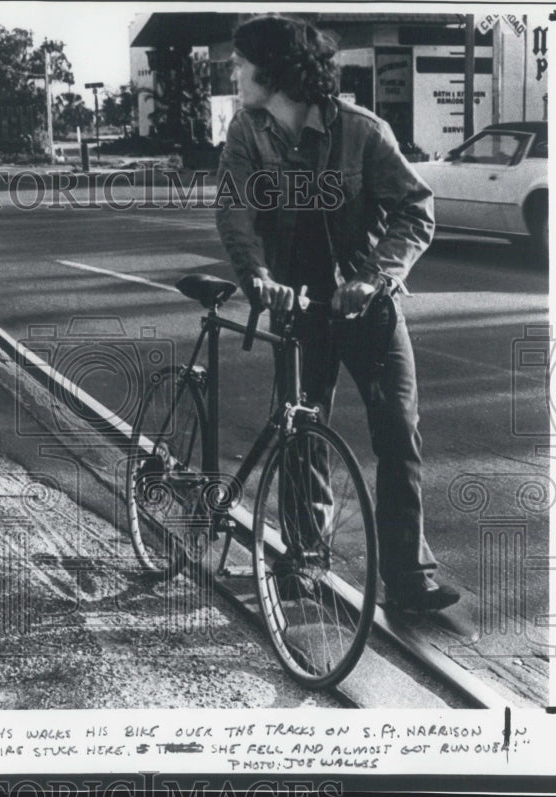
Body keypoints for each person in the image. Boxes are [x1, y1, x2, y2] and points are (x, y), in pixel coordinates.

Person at [215, 14, 459, 612]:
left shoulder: (362, 132)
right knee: (300, 434)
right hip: (297, 306)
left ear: (273, 67)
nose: (234, 71)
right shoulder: (247, 132)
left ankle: (408, 578)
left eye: (241, 61)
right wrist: (259, 277)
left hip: (368, 308)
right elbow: (235, 213)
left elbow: (414, 211)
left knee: (398, 434)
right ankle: (303, 562)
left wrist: (375, 277)